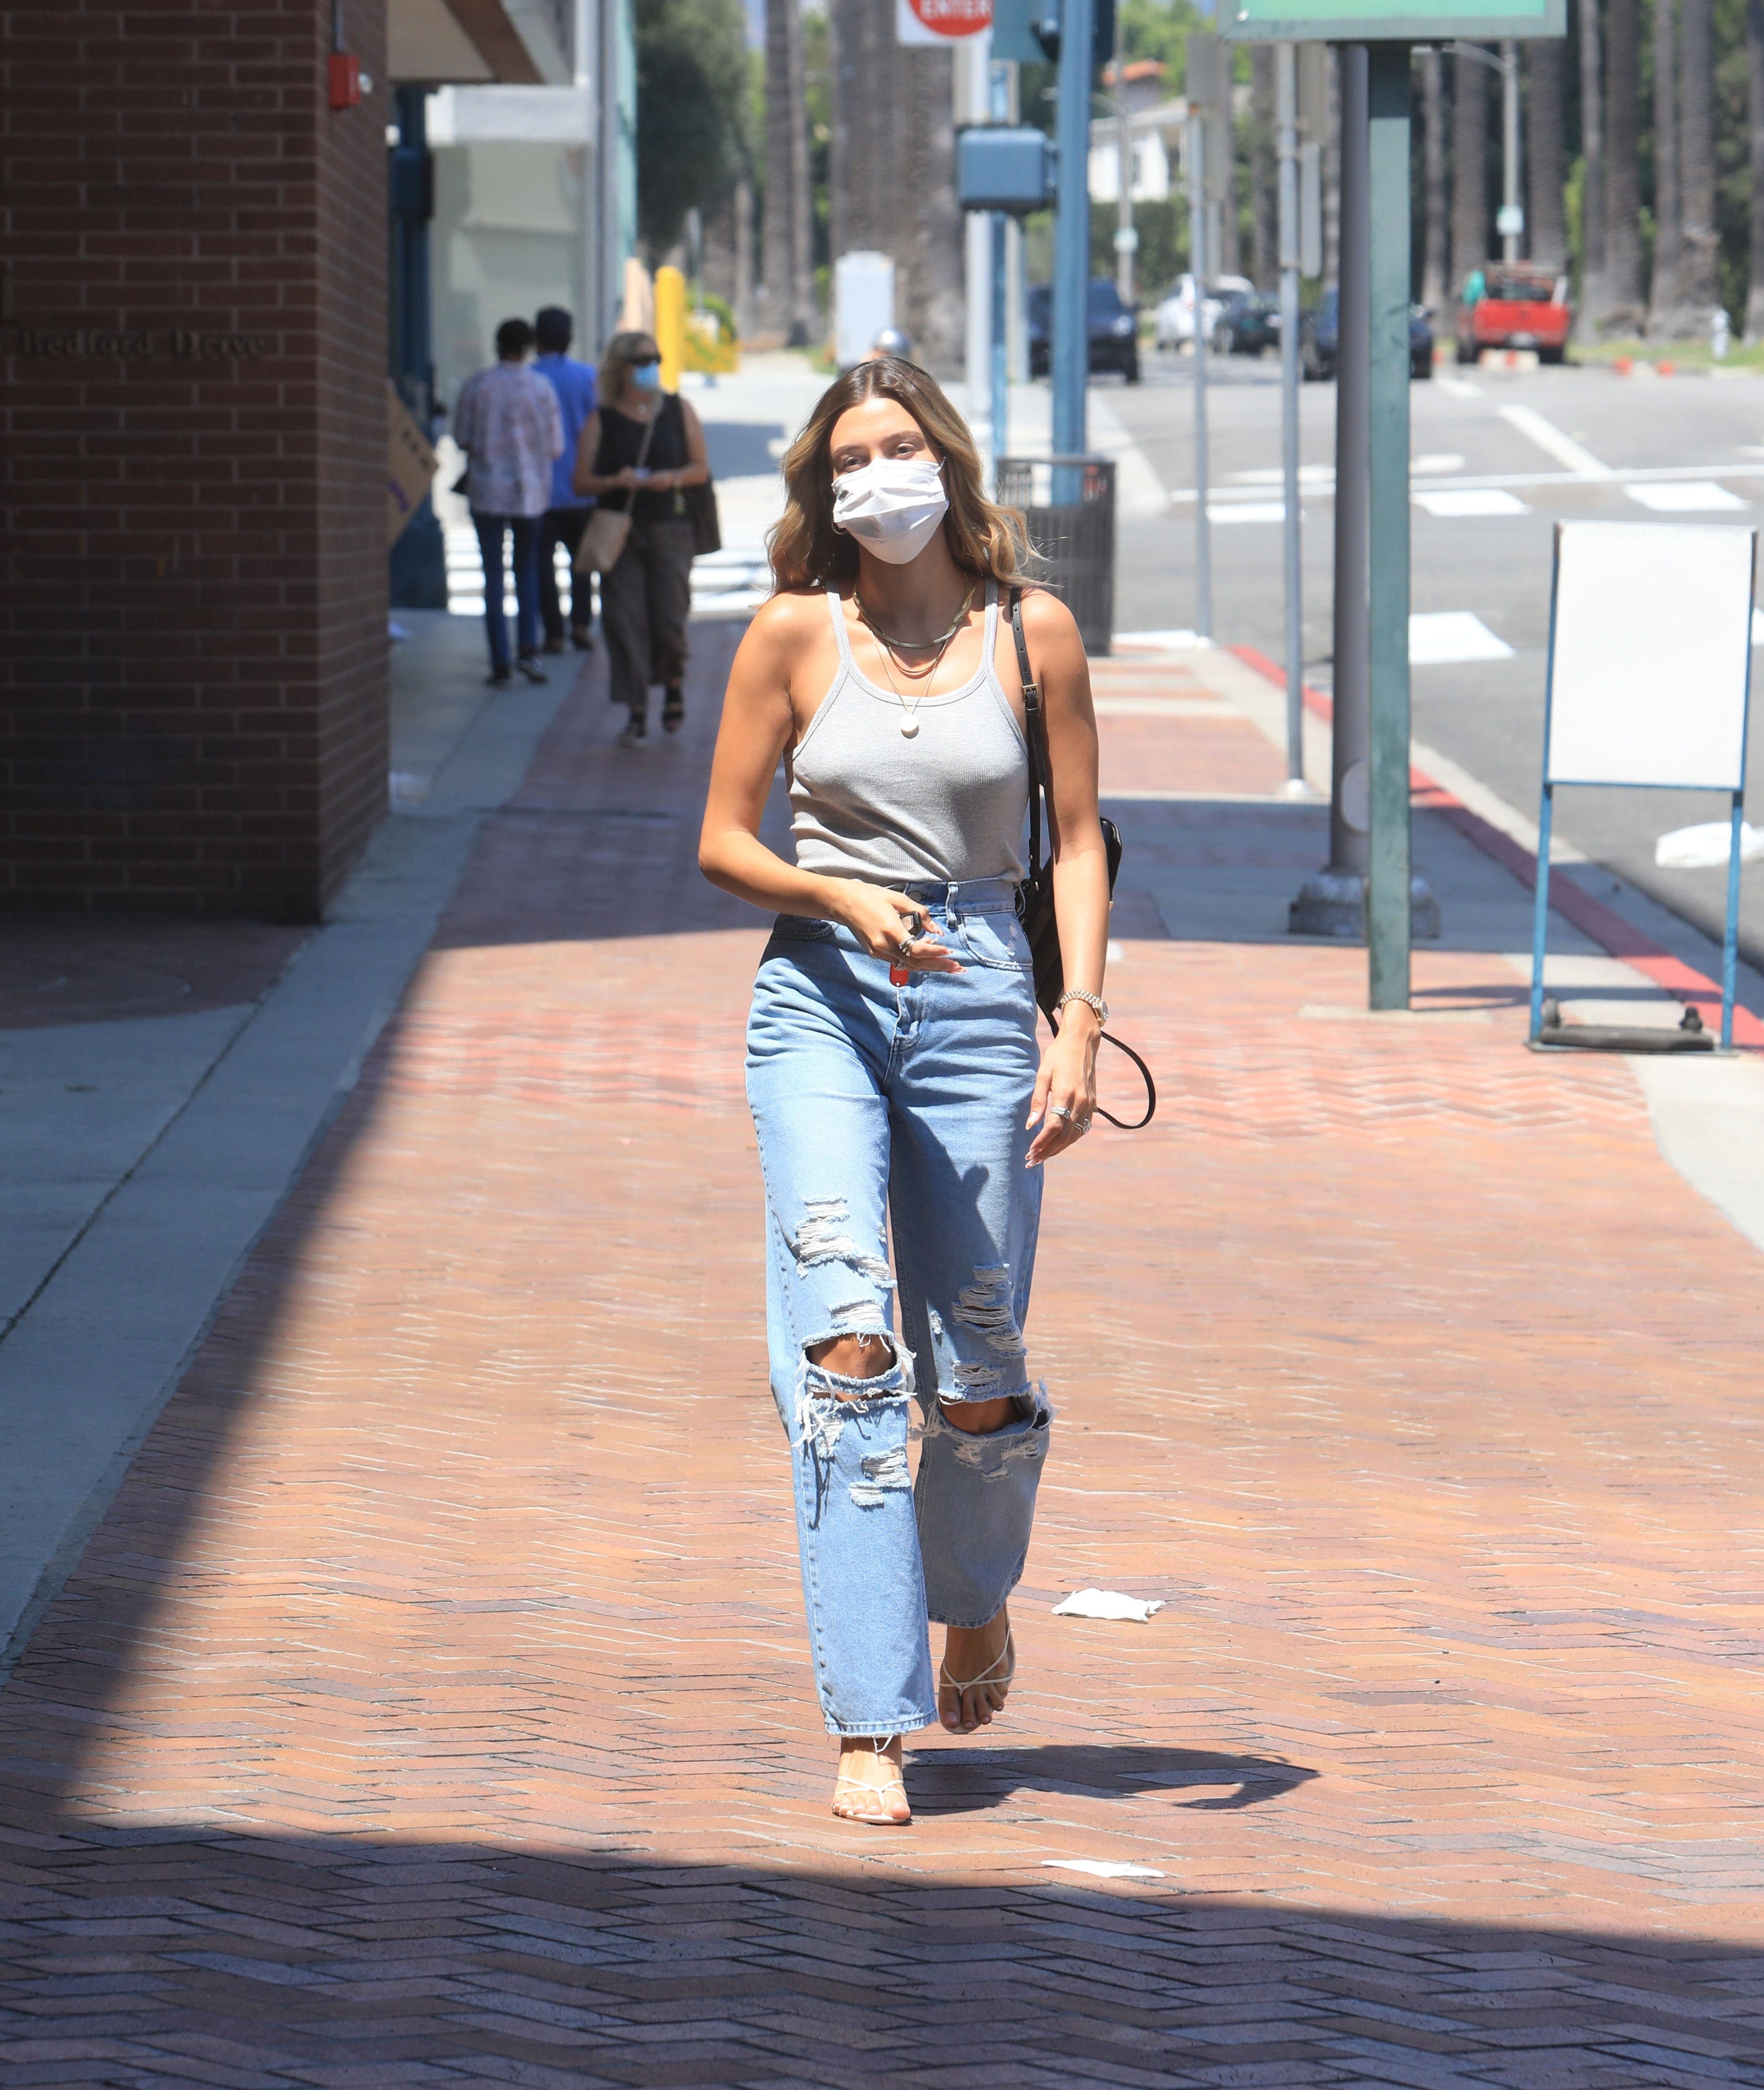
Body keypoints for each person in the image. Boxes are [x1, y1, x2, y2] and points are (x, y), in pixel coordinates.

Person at [697, 357, 1110, 1826]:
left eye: (899, 446)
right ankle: (870, 1716)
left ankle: (974, 1596)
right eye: (850, 458)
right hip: (820, 991)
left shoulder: (1031, 632)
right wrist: (834, 893)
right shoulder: (791, 633)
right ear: (824, 487)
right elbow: (721, 841)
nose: (878, 475)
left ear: (946, 458)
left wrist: (1078, 1023)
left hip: (984, 993)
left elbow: (1078, 839)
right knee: (851, 1343)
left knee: (975, 1371)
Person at [570, 331, 709, 744]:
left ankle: (673, 683)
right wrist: (615, 480)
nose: (651, 368)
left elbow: (700, 469)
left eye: (656, 359)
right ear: (619, 368)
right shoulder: (602, 420)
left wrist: (671, 478)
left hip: (671, 527)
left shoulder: (678, 410)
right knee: (625, 620)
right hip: (620, 532)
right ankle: (636, 708)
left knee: (670, 618)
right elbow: (580, 482)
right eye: (641, 361)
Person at [453, 317, 563, 687]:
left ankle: (500, 660)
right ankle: (528, 649)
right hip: (530, 492)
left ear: (497, 345)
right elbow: (556, 446)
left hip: (486, 490)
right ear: (528, 347)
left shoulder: (478, 386)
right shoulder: (541, 387)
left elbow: (462, 437)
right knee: (527, 569)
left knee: (493, 575)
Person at [532, 306, 598, 655]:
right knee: (582, 562)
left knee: (541, 564)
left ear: (537, 339)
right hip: (580, 486)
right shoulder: (587, 378)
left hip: (539, 491)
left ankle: (553, 633)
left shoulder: (530, 378)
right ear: (570, 338)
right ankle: (581, 625)